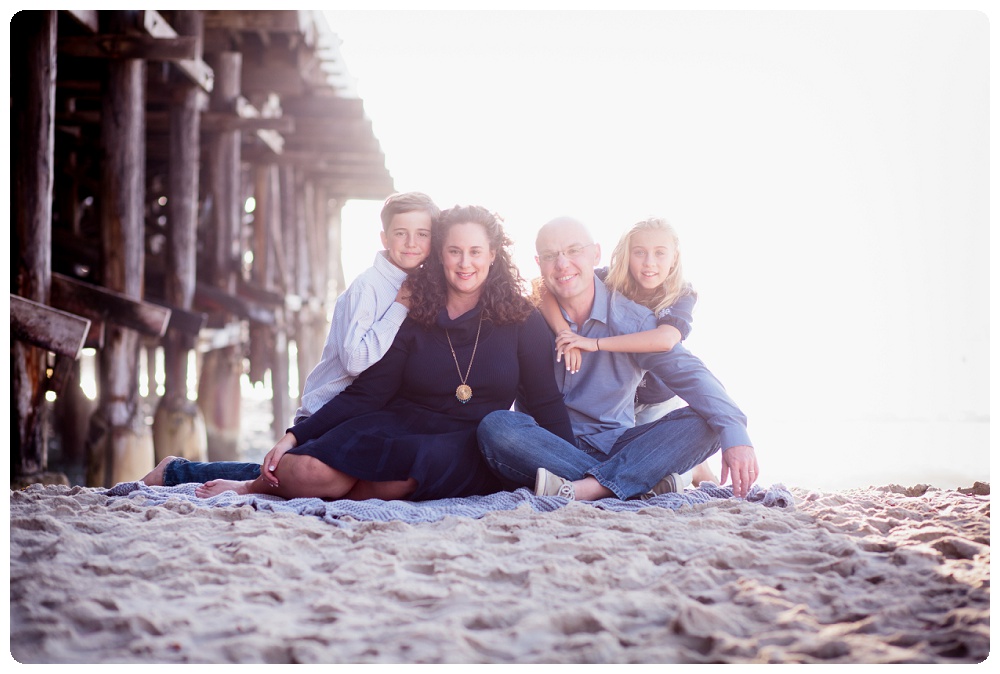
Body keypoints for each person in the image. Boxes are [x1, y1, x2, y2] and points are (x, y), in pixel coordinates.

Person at [143, 205, 574, 502]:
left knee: (393, 483)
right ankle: (219, 479)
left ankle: (215, 480)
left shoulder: (522, 319)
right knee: (301, 470)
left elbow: (545, 401)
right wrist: (294, 436)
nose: (465, 263)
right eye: (454, 251)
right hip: (397, 423)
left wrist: (574, 466)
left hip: (467, 441)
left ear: (493, 256)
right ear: (439, 255)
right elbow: (369, 392)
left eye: (476, 252)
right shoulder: (415, 310)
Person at [477, 216, 759, 501]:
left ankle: (591, 487)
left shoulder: (632, 320)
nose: (563, 264)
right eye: (551, 256)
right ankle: (633, 483)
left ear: (595, 254)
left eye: (574, 251)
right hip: (543, 445)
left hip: (616, 444)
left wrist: (736, 434)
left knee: (709, 422)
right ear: (539, 263)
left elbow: (690, 373)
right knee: (498, 426)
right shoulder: (526, 316)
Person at [535, 216, 717, 489]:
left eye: (659, 253)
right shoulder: (609, 280)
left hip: (656, 395)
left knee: (662, 451)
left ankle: (695, 471)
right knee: (639, 459)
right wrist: (564, 331)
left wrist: (594, 344)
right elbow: (541, 288)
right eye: (639, 253)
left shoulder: (681, 294)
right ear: (626, 254)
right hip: (623, 397)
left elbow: (666, 339)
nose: (649, 263)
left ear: (674, 257)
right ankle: (637, 482)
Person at [293, 191, 440, 424]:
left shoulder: (421, 285)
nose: (411, 243)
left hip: (368, 413)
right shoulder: (367, 287)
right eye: (400, 233)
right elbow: (355, 362)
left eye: (422, 234)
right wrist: (399, 307)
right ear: (385, 238)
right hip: (325, 414)